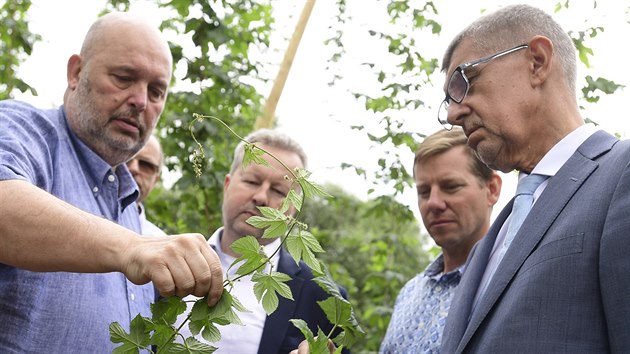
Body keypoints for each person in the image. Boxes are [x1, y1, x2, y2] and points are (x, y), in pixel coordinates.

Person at [0, 12, 223, 353]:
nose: (140, 101)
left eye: (156, 91)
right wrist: (132, 248)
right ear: (76, 73)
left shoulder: (126, 203)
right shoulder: (24, 130)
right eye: (124, 78)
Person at [437, 4, 630, 353]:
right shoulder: (492, 240)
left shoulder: (621, 173)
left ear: (537, 62)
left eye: (464, 82)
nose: (452, 113)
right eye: (448, 100)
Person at [176, 128, 349, 354]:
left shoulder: (323, 299)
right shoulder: (172, 260)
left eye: (278, 190)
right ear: (227, 185)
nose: (261, 197)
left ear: (293, 208)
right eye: (251, 181)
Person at [379, 128, 501, 353]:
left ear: (492, 189)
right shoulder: (409, 293)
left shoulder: (506, 287)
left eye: (451, 187)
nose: (434, 203)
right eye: (424, 192)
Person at [127, 134, 167, 236]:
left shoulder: (160, 242)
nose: (134, 168)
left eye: (146, 165)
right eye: (127, 159)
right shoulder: (82, 215)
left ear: (156, 180)